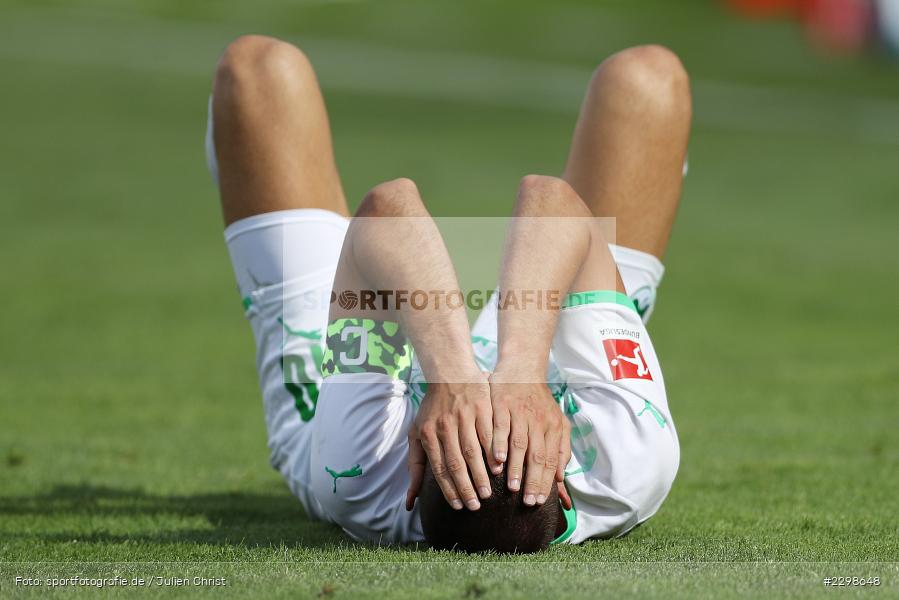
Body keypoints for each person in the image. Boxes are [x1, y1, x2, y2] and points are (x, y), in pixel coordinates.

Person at [205, 36, 691, 551]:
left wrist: (450, 377)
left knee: (257, 68)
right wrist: (524, 373)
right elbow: (551, 200)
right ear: (562, 476)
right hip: (541, 351)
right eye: (506, 423)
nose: (488, 412)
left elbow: (389, 209)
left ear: (417, 456)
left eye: (462, 431)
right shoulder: (631, 461)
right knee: (648, 77)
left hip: (349, 394)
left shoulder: (359, 470)